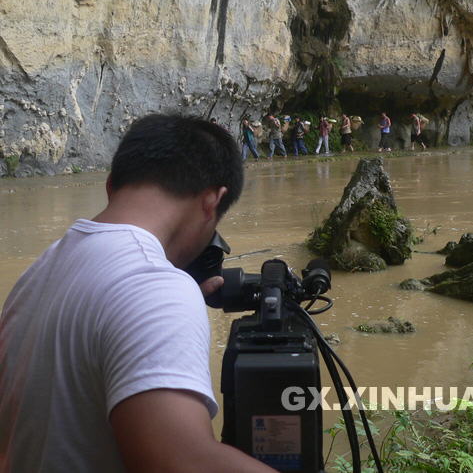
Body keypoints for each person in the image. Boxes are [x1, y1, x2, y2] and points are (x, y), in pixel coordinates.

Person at [0, 114, 276, 473]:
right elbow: (180, 462)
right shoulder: (155, 286)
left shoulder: (38, 274)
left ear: (111, 185)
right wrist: (171, 301)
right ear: (213, 201)